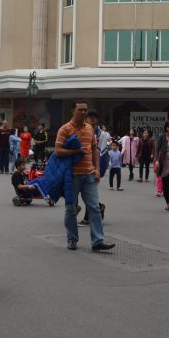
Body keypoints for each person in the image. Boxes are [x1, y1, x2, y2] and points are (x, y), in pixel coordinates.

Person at [54, 100, 114, 252]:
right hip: (71, 175)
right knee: (71, 209)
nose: (83, 113)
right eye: (80, 110)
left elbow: (94, 149)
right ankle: (72, 239)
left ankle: (98, 241)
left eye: (85, 110)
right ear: (72, 111)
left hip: (88, 174)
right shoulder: (65, 129)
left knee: (94, 207)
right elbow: (58, 151)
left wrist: (97, 169)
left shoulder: (89, 129)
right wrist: (76, 152)